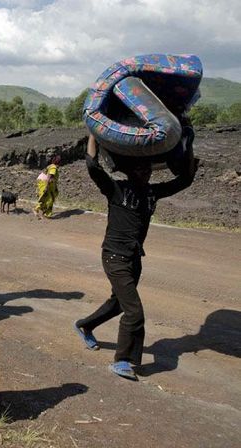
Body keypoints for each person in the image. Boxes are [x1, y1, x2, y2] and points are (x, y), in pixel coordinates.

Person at [74, 134, 197, 380]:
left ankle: (85, 325)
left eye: (147, 168)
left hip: (134, 258)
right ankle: (123, 361)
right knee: (135, 312)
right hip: (114, 256)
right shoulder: (115, 189)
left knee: (119, 304)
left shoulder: (153, 193)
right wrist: (94, 136)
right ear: (130, 169)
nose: (146, 172)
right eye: (140, 168)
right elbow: (92, 166)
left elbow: (183, 180)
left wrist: (188, 148)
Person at [34, 155, 61, 219]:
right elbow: (49, 177)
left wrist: (55, 187)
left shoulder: (51, 166)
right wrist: (46, 187)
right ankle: (38, 210)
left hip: (45, 182)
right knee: (47, 198)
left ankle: (46, 213)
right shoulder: (53, 167)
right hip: (44, 182)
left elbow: (52, 179)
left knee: (50, 198)